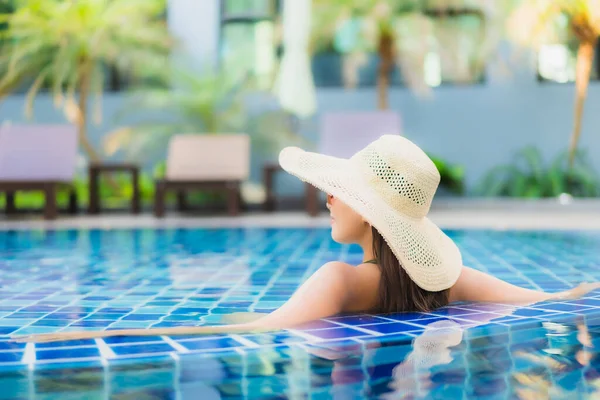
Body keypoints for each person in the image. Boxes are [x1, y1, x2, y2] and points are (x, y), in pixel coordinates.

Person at [14, 135, 600, 343]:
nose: (329, 196)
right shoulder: (444, 283)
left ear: (371, 214)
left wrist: (99, 330)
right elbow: (543, 301)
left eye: (340, 190)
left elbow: (249, 331)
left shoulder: (338, 281)